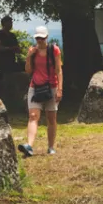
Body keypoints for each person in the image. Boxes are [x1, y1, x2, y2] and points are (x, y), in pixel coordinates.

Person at [20, 27, 60, 157]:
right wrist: (29, 56)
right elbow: (28, 70)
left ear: (46, 37)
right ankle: (29, 146)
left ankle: (51, 146)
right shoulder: (33, 51)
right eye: (38, 38)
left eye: (42, 38)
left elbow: (59, 70)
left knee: (51, 118)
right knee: (33, 116)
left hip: (51, 87)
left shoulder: (54, 50)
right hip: (35, 87)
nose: (40, 40)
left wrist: (60, 89)